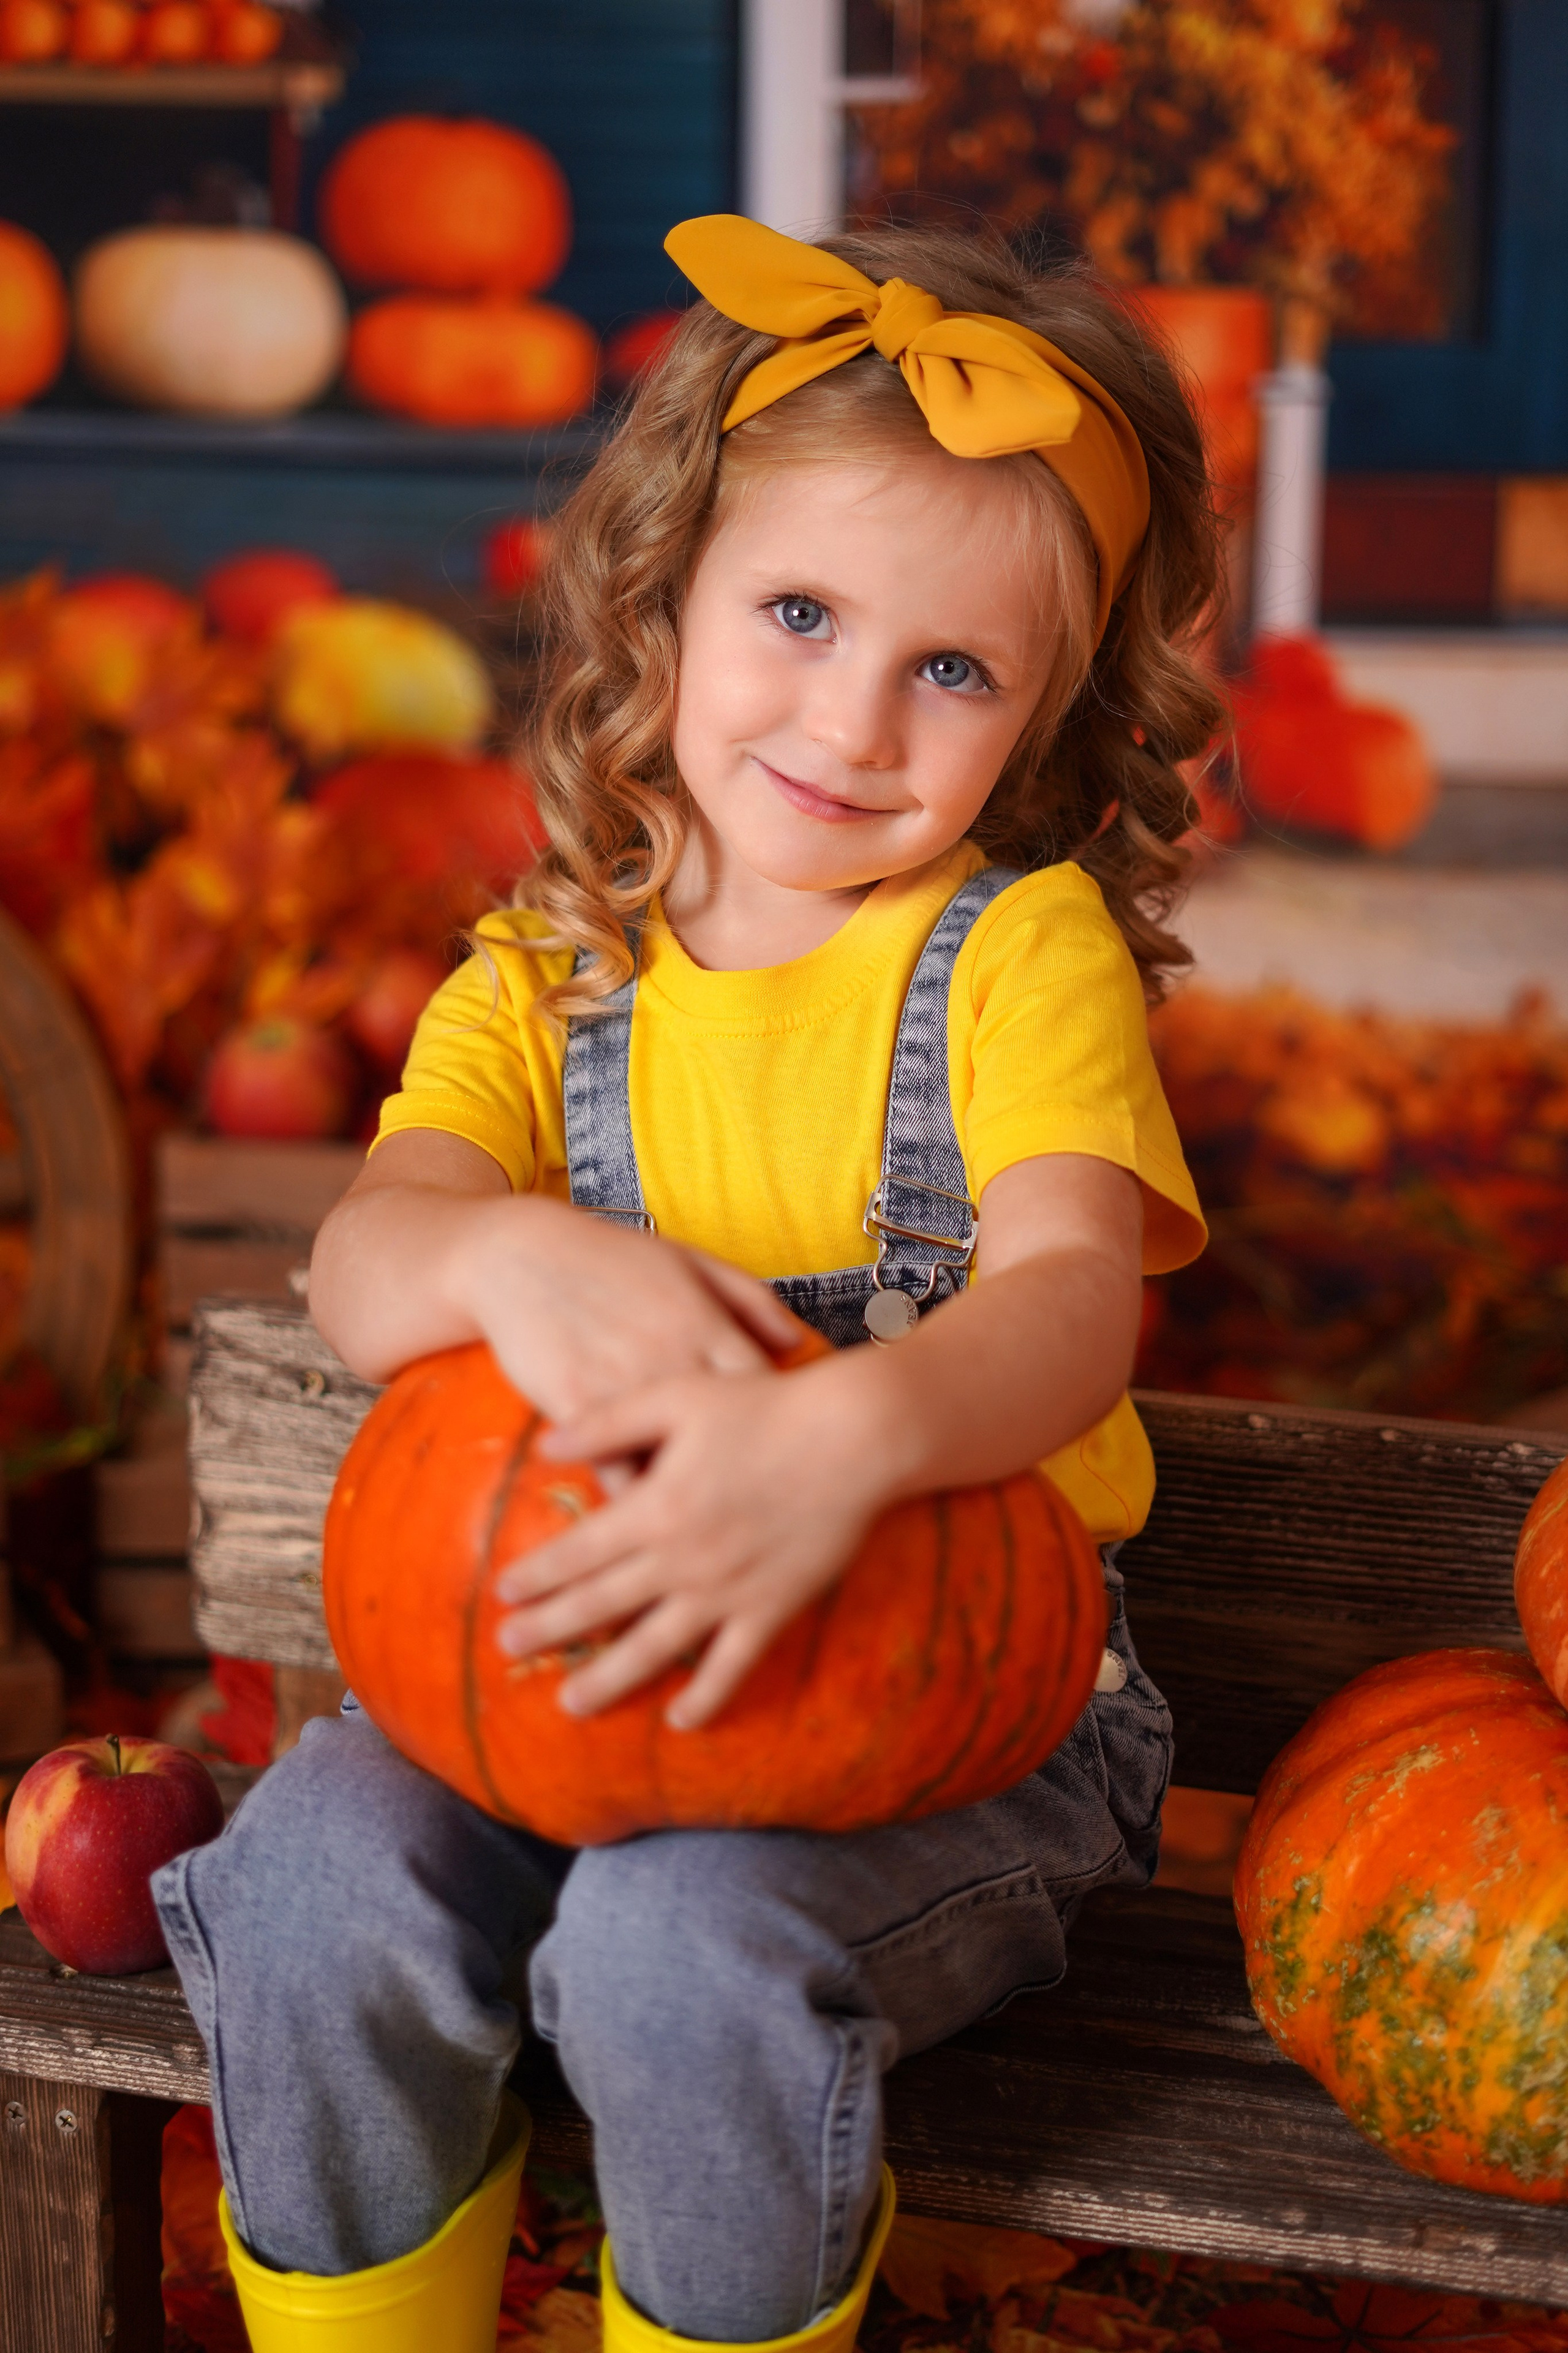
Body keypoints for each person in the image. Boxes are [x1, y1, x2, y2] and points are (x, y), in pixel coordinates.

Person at [154, 211, 1221, 2353]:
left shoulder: (1015, 959)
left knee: (675, 1948)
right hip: (541, 1689)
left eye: (952, 668)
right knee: (317, 1875)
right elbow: (370, 1261)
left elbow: (1068, 1300)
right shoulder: (556, 970)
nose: (852, 716)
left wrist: (849, 1435)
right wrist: (509, 1254)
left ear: (1042, 717)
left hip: (960, 1736)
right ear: (667, 599)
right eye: (802, 613)